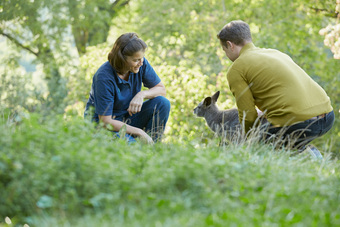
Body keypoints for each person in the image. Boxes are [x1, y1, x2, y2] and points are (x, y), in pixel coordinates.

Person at [217, 20, 334, 152]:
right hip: (327, 116)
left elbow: (247, 116)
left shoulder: (237, 69)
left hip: (300, 123)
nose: (226, 55)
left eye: (224, 50)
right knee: (288, 143)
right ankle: (308, 155)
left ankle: (310, 156)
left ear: (230, 45)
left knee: (263, 148)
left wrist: (250, 143)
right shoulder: (274, 53)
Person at [84, 33, 170, 144]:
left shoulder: (140, 64)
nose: (141, 62)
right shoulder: (103, 77)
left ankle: (153, 147)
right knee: (132, 149)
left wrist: (141, 94)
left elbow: (161, 89)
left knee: (162, 103)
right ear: (122, 59)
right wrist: (139, 132)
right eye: (136, 60)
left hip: (127, 119)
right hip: (105, 126)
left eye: (142, 58)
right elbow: (105, 121)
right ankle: (138, 143)